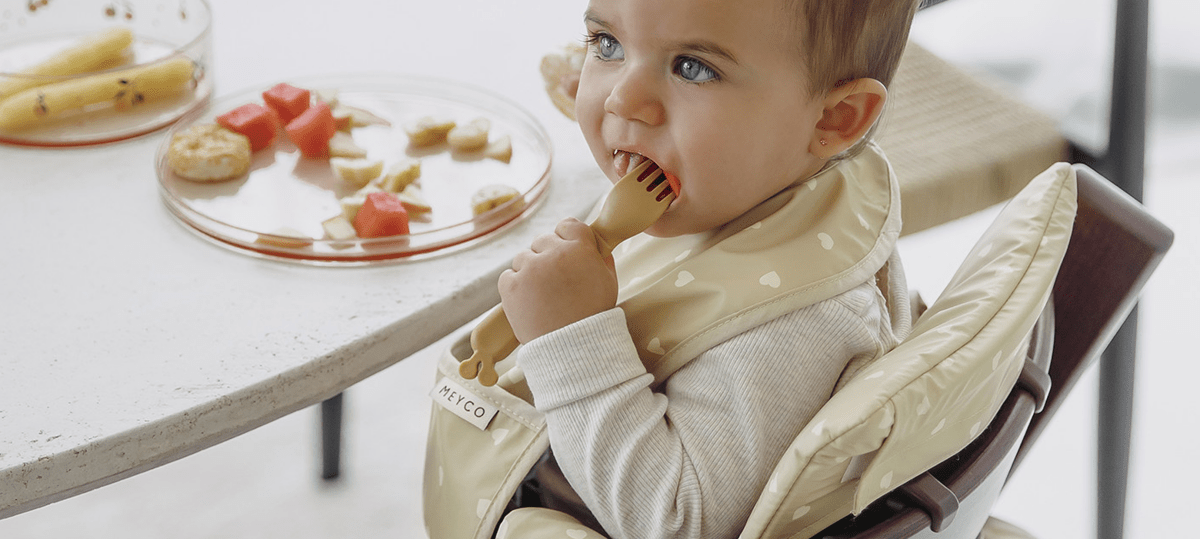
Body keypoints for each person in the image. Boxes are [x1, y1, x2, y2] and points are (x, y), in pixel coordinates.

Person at [425, 1, 921, 538]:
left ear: (834, 118)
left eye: (693, 67)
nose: (623, 99)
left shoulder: (794, 324)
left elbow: (679, 522)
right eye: (607, 44)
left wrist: (571, 337)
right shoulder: (746, 189)